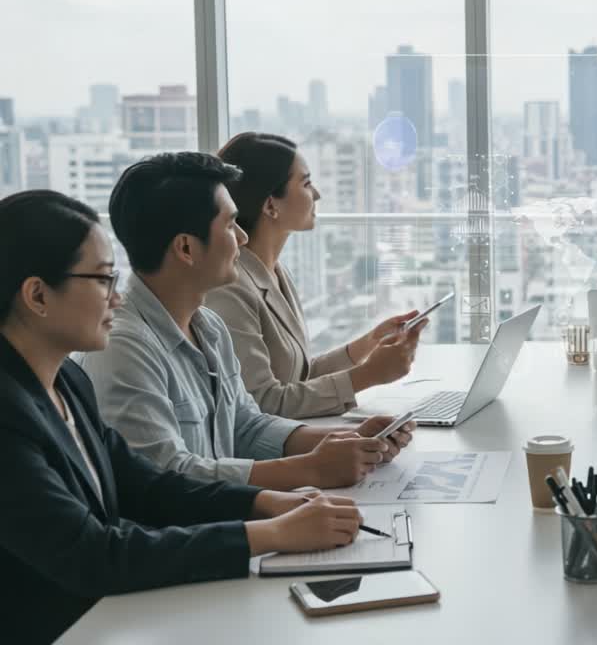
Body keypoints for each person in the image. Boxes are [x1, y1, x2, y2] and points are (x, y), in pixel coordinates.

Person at [0, 191, 365, 643]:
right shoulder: (8, 416)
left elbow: (146, 486)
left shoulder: (68, 383)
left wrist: (264, 503)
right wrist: (266, 535)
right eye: (102, 281)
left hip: (104, 618)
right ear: (37, 295)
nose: (117, 298)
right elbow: (93, 555)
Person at [79, 152, 416, 490]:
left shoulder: (208, 327)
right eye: (229, 225)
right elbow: (165, 476)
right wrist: (311, 470)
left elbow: (245, 426)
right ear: (185, 248)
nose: (242, 237)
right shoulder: (123, 349)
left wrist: (346, 439)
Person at [205, 132, 424, 418]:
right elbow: (263, 403)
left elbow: (298, 378)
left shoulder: (274, 270)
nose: (317, 194)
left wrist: (368, 343)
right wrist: (369, 375)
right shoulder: (230, 287)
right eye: (306, 183)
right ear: (271, 205)